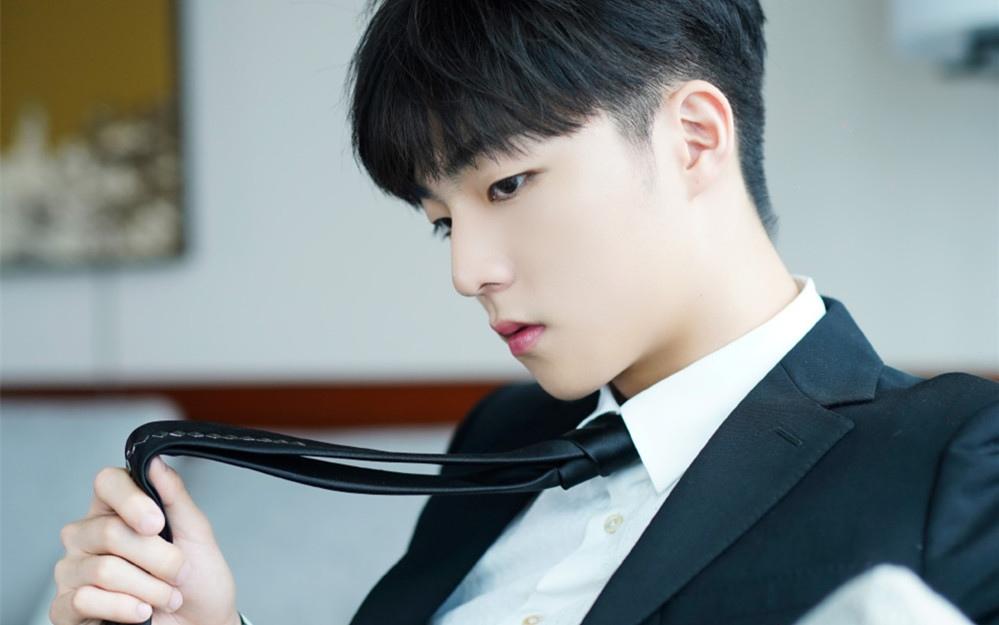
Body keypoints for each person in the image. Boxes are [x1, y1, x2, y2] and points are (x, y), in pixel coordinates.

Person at [50, 1, 999, 624]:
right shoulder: (502, 438)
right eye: (440, 221)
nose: (466, 270)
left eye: (506, 185)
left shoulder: (959, 455)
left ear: (693, 137)